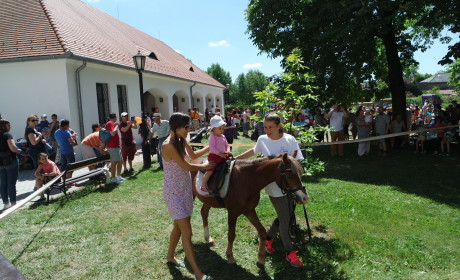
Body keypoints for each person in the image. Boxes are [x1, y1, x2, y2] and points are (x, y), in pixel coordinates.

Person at [235, 113, 306, 267]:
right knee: (286, 219)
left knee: (286, 215)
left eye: (270, 127)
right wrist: (236, 160)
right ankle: (290, 252)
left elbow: (297, 160)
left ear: (279, 126)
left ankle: (268, 239)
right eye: (265, 127)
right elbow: (253, 152)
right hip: (274, 188)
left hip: (291, 186)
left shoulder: (289, 139)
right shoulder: (262, 139)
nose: (267, 130)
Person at [162, 112, 213, 280]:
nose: (189, 129)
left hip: (185, 190)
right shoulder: (168, 145)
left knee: (178, 226)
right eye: (186, 127)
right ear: (176, 127)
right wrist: (204, 165)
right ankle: (198, 274)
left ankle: (170, 257)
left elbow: (193, 156)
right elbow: (186, 165)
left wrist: (211, 146)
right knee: (187, 231)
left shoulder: (181, 140)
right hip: (173, 193)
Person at [200, 115, 230, 194]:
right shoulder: (212, 137)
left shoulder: (223, 136)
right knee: (210, 171)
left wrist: (228, 151)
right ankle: (203, 185)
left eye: (223, 128)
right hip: (215, 157)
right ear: (213, 129)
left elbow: (227, 145)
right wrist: (220, 154)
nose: (222, 130)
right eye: (219, 128)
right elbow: (212, 148)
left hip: (223, 155)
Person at [0, 119, 21, 210]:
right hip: (10, 160)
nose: (10, 126)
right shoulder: (8, 135)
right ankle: (13, 202)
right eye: (8, 125)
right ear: (4, 126)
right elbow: (12, 147)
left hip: (0, 162)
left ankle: (5, 203)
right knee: (11, 183)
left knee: (3, 183)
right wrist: (19, 150)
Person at [106, 113, 125, 184]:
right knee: (114, 163)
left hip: (116, 146)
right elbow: (112, 133)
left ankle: (119, 177)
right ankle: (113, 179)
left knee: (120, 161)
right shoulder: (110, 123)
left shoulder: (112, 124)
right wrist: (116, 126)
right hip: (112, 147)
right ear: (115, 117)